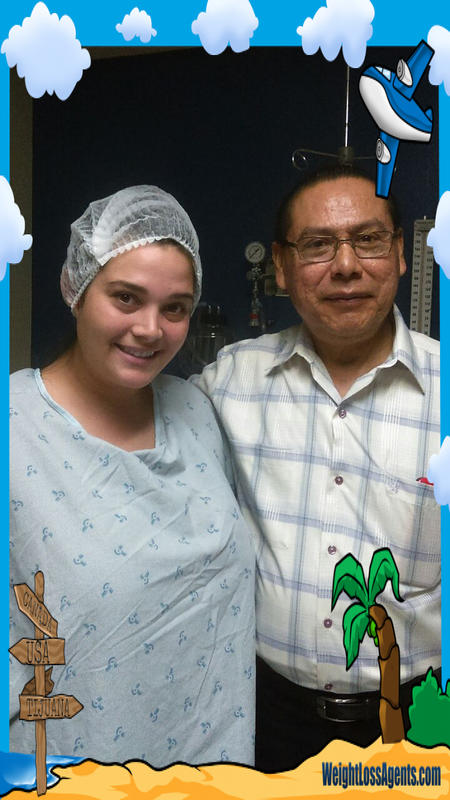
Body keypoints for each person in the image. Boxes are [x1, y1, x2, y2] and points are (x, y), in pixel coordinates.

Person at [192, 164, 440, 771]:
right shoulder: (229, 382)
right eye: (317, 245)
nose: (346, 265)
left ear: (401, 255)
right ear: (281, 266)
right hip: (265, 714)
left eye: (368, 239)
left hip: (416, 717)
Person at [9, 185, 255, 766]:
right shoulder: (13, 429)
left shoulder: (197, 413)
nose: (150, 329)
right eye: (125, 297)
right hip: (71, 769)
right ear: (75, 288)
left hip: (215, 765)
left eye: (175, 308)